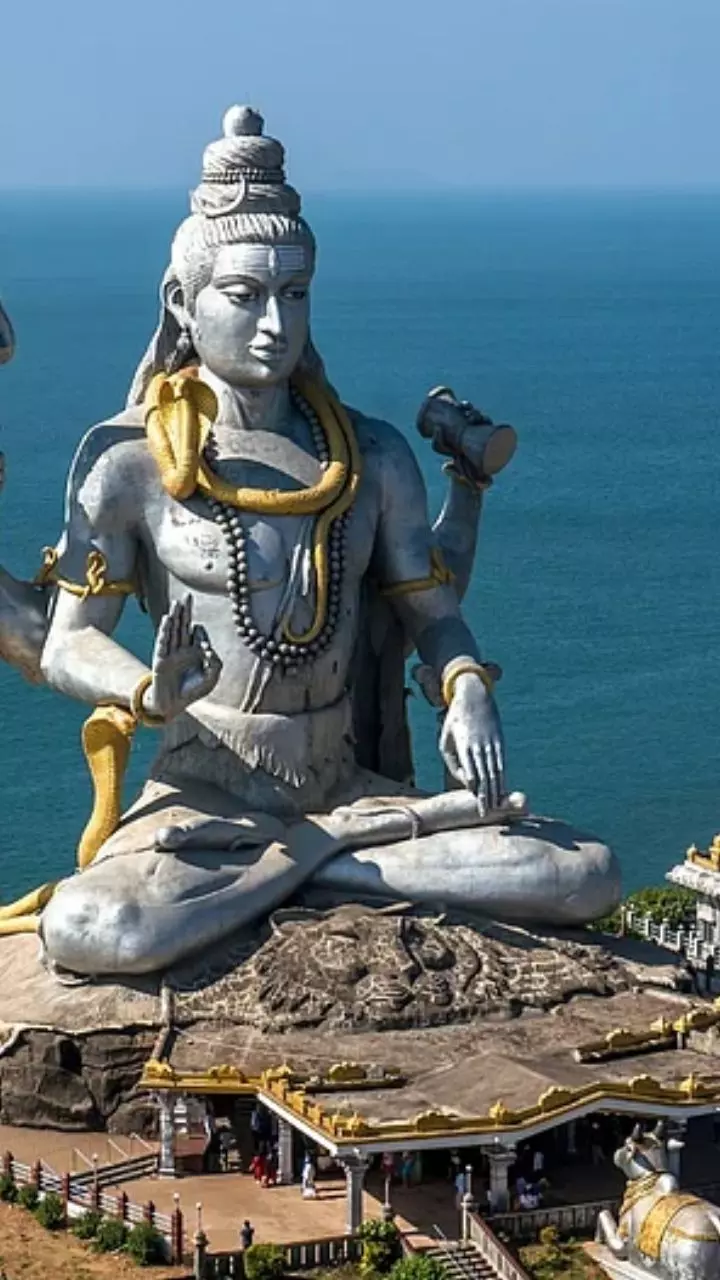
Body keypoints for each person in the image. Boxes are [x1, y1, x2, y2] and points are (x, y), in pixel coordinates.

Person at [32, 104, 619, 979]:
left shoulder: (370, 456)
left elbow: (432, 611)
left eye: (295, 295)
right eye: (245, 296)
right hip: (205, 797)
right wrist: (149, 692)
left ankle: (309, 859)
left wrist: (465, 686)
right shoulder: (129, 463)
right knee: (94, 925)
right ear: (183, 302)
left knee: (584, 874)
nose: (275, 323)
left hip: (344, 788)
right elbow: (66, 642)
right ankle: (321, 864)